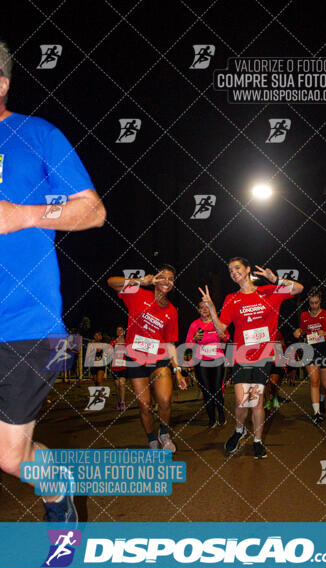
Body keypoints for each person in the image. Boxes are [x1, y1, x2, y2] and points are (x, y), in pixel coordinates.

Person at [0, 41, 106, 523]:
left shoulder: (35, 134)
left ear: (2, 83)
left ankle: (57, 488)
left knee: (12, 458)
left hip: (22, 322)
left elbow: (92, 211)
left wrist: (21, 215)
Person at [199, 257, 303, 459]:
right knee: (240, 401)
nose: (233, 272)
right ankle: (240, 430)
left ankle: (257, 441)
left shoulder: (269, 292)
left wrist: (276, 279)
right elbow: (221, 330)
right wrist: (212, 308)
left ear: (247, 269)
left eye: (237, 268)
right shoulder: (231, 298)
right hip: (241, 355)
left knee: (256, 402)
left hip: (263, 355)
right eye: (230, 270)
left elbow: (298, 288)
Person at [107, 265, 187, 451]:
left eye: (171, 278)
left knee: (165, 400)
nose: (167, 281)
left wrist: (178, 371)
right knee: (145, 405)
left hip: (159, 359)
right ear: (156, 279)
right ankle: (152, 439)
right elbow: (111, 282)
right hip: (135, 359)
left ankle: (164, 433)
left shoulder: (172, 311)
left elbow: (170, 344)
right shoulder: (137, 293)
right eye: (163, 277)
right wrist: (142, 281)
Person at [293, 286, 326, 424]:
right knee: (314, 381)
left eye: (316, 303)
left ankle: (321, 400)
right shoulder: (304, 316)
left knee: (325, 384)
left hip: (325, 348)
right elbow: (302, 330)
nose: (314, 306)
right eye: (311, 303)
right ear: (308, 302)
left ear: (320, 301)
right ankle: (316, 413)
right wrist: (298, 332)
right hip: (310, 349)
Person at [186, 300, 229, 428]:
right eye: (201, 308)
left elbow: (226, 338)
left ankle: (221, 414)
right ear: (198, 310)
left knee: (217, 389)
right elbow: (188, 344)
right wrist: (194, 338)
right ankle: (212, 419)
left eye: (207, 307)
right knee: (206, 391)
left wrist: (221, 336)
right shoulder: (195, 325)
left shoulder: (217, 321)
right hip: (201, 360)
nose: (205, 310)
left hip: (217, 359)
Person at [264, 329, 287, 410]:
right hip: (264, 360)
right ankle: (267, 401)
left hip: (276, 361)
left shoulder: (277, 332)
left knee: (274, 381)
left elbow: (283, 344)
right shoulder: (260, 330)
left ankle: (275, 397)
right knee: (265, 382)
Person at [110, 326, 128, 411]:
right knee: (117, 386)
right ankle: (118, 401)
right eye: (117, 330)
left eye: (121, 330)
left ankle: (123, 402)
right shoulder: (113, 342)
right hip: (115, 366)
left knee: (122, 384)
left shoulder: (127, 342)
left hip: (124, 366)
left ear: (124, 332)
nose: (119, 331)